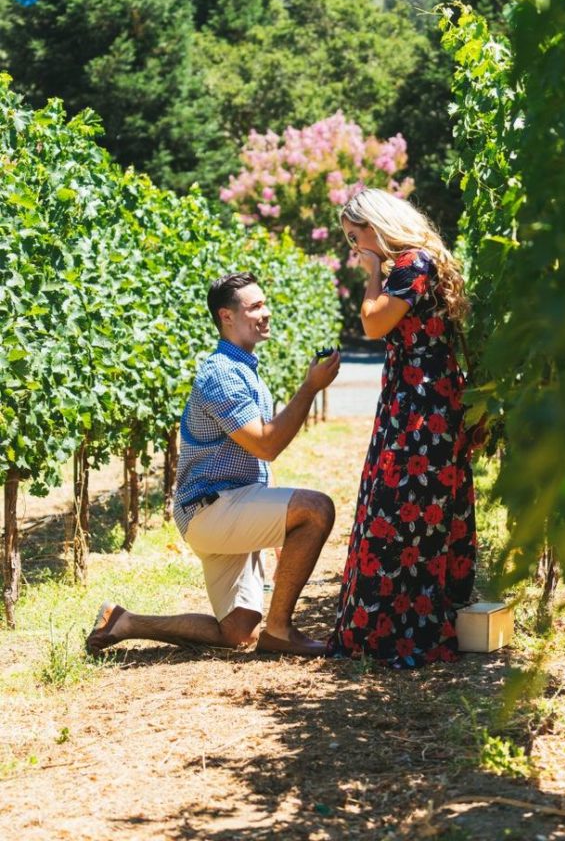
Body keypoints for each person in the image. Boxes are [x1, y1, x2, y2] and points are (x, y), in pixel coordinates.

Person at [87, 271, 340, 659]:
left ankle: (125, 622)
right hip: (212, 510)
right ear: (227, 317)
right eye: (255, 307)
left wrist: (272, 524)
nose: (266, 313)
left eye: (264, 303)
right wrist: (309, 387)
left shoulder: (243, 369)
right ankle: (280, 630)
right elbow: (267, 445)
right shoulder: (222, 374)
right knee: (318, 508)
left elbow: (254, 457)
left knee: (236, 631)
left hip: (229, 505)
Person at [327, 189, 480, 668]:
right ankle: (408, 622)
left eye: (357, 238)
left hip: (421, 404)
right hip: (423, 396)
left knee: (404, 508)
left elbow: (374, 326)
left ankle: (403, 629)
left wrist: (373, 274)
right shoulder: (425, 262)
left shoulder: (412, 264)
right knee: (418, 504)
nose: (356, 250)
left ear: (377, 225)